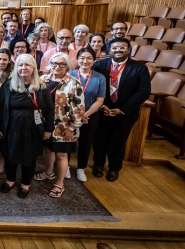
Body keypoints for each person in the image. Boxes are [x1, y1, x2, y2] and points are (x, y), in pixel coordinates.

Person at [0, 53, 54, 198]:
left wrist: (48, 129)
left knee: (30, 156)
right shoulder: (8, 85)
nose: (23, 68)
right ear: (16, 68)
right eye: (20, 65)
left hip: (33, 128)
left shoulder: (41, 86)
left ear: (33, 67)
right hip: (12, 127)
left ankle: (25, 184)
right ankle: (10, 180)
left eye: (27, 64)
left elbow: (50, 109)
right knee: (10, 155)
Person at [92, 37, 151, 182]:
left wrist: (123, 109)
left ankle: (114, 168)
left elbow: (143, 92)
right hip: (102, 109)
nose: (118, 50)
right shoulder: (100, 65)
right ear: (109, 50)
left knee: (118, 141)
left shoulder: (139, 68)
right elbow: (92, 87)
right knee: (100, 140)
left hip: (125, 113)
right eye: (115, 47)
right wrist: (102, 105)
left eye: (122, 47)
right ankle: (98, 165)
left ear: (129, 50)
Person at [36, 53, 85, 198]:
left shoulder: (73, 83)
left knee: (62, 155)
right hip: (45, 125)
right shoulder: (42, 80)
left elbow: (80, 108)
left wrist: (72, 128)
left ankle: (59, 183)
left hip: (64, 127)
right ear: (49, 64)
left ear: (67, 66)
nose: (57, 67)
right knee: (47, 150)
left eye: (61, 64)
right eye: (54, 63)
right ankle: (48, 172)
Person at [70, 47, 106, 182]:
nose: (85, 61)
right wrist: (76, 115)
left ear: (94, 60)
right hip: (70, 114)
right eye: (82, 58)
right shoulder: (70, 74)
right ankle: (66, 166)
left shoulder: (99, 77)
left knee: (86, 141)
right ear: (77, 59)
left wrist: (85, 114)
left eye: (89, 58)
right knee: (69, 140)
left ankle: (81, 168)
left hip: (90, 115)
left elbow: (100, 100)